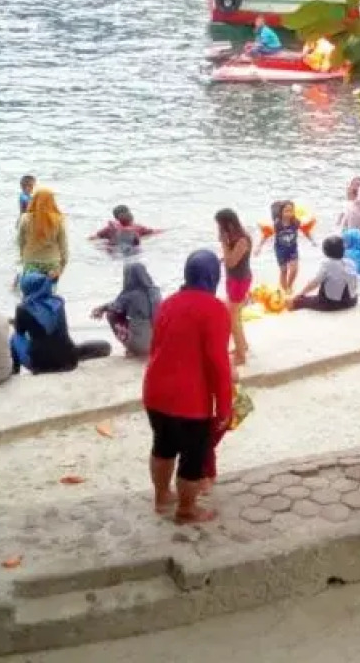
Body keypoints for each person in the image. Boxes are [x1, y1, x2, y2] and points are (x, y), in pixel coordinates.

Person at [142, 250, 238, 523]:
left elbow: (154, 347)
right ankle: (186, 509)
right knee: (192, 457)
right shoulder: (215, 309)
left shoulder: (168, 303)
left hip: (156, 390)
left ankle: (162, 497)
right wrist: (224, 407)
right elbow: (218, 363)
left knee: (162, 445)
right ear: (213, 277)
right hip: (191, 400)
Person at [10, 270, 112, 373]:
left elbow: (20, 332)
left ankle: (15, 371)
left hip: (40, 366)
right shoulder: (58, 303)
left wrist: (16, 321)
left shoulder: (22, 309)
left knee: (14, 338)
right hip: (69, 361)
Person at [93, 261, 161, 356]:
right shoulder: (156, 292)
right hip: (158, 345)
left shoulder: (129, 294)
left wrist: (101, 308)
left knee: (111, 314)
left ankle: (131, 346)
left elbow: (114, 307)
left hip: (141, 347)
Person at [216, 208, 254, 365]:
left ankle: (240, 356)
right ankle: (242, 345)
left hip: (240, 280)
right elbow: (229, 259)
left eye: (219, 225)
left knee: (232, 318)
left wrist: (224, 243)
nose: (218, 229)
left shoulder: (242, 240)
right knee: (236, 315)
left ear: (227, 224)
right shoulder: (235, 238)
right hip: (234, 279)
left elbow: (231, 262)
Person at [290, 236, 358, 312]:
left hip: (332, 303)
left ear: (326, 252)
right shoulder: (351, 263)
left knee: (299, 301)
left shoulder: (328, 264)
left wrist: (301, 294)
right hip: (352, 300)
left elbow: (315, 282)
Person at [17, 188, 70, 283]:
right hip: (52, 265)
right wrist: (62, 266)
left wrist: (22, 257)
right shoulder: (58, 220)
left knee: (30, 292)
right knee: (49, 294)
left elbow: (21, 241)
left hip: (31, 262)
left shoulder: (25, 219)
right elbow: (63, 245)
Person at [90, 205, 161, 258]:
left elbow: (94, 237)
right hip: (131, 252)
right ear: (131, 217)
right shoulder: (137, 228)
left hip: (114, 251)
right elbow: (153, 232)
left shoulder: (109, 228)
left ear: (115, 217)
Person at [269, 200, 303, 294]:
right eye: (286, 211)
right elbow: (267, 234)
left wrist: (312, 240)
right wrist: (259, 246)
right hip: (280, 250)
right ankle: (284, 291)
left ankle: (289, 286)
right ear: (281, 212)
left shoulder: (296, 222)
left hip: (292, 249)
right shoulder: (277, 224)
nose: (289, 213)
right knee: (284, 271)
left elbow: (305, 230)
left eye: (291, 211)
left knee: (294, 269)